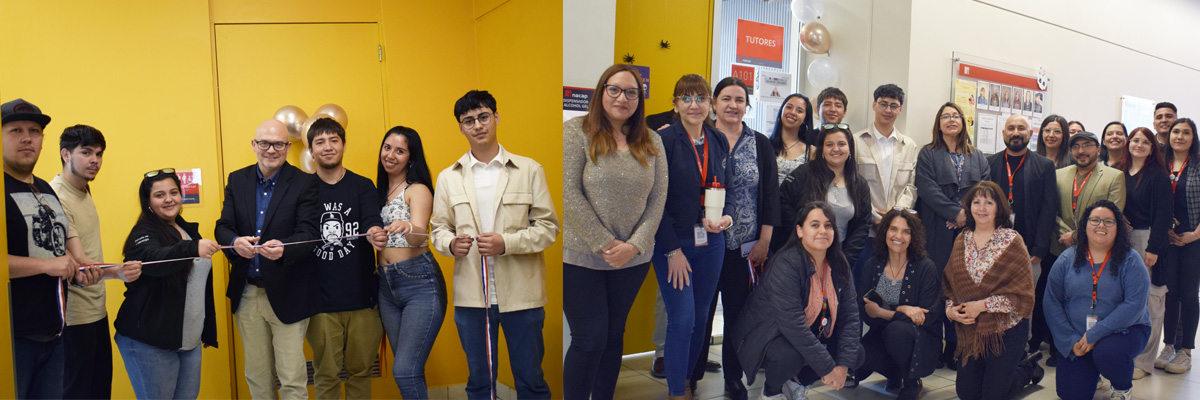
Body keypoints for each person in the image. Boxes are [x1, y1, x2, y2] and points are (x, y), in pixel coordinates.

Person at [430, 90, 558, 399]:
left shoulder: (528, 170)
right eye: (468, 120)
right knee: (479, 382)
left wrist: (506, 243)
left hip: (522, 295)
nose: (477, 125)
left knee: (530, 379)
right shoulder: (449, 177)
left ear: (496, 118)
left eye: (484, 117)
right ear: (461, 127)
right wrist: (450, 245)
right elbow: (438, 231)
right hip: (472, 297)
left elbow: (548, 228)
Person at [562, 64, 667, 400]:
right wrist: (607, 243)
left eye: (631, 91)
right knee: (589, 338)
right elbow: (568, 194)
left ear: (640, 98)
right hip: (582, 256)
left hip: (632, 260)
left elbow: (657, 201)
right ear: (601, 91)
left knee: (613, 336)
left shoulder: (653, 142)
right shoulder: (576, 131)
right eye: (615, 89)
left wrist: (634, 246)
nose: (623, 97)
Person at [214, 119, 322, 399]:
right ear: (254, 145)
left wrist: (284, 247)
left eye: (277, 144)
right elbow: (223, 226)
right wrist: (234, 242)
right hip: (247, 293)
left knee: (292, 379)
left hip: (289, 292)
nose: (270, 150)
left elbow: (310, 233)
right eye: (264, 143)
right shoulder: (237, 179)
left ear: (287, 147)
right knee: (258, 379)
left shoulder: (304, 183)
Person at [3, 98, 103, 398]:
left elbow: (63, 248)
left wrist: (80, 265)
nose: (27, 138)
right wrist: (50, 266)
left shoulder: (45, 189)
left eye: (34, 131)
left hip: (55, 334)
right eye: (16, 130)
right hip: (13, 339)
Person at [689, 76, 779, 400]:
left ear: (747, 105)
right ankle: (691, 373)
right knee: (699, 312)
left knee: (738, 314)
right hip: (703, 243)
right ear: (714, 103)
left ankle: (733, 378)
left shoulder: (760, 143)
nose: (732, 105)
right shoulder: (700, 139)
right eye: (726, 98)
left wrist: (765, 239)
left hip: (744, 247)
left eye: (739, 99)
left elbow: (770, 194)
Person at [649, 74, 734, 400]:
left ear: (710, 103)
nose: (694, 105)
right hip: (674, 243)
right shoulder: (664, 141)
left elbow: (728, 188)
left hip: (711, 242)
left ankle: (685, 381)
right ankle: (675, 391)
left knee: (701, 319)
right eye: (686, 98)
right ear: (675, 104)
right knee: (682, 319)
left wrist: (726, 217)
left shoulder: (718, 139)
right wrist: (671, 249)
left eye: (701, 98)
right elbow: (654, 202)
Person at [730, 203, 864, 400]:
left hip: (809, 332)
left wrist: (842, 366)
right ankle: (771, 392)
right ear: (800, 231)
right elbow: (793, 325)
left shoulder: (838, 263)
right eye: (815, 225)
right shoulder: (786, 263)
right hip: (765, 335)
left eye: (828, 226)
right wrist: (827, 369)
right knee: (788, 357)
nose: (822, 231)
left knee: (855, 354)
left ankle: (795, 384)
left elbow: (850, 317)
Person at [51, 124, 142, 399]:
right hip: (74, 318)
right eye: (86, 152)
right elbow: (79, 262)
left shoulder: (83, 190)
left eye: (99, 154)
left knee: (100, 390)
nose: (95, 160)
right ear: (66, 154)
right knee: (77, 393)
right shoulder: (57, 195)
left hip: (96, 312)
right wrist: (119, 271)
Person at [301, 118, 390, 399]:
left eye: (334, 140)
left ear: (343, 145)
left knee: (361, 372)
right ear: (311, 151)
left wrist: (375, 232)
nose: (328, 147)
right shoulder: (302, 191)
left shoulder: (363, 186)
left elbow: (372, 220)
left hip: (363, 300)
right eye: (320, 142)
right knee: (325, 375)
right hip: (319, 304)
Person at [114, 169, 219, 399]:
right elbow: (154, 260)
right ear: (148, 202)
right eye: (159, 195)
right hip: (149, 343)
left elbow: (196, 287)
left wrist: (207, 332)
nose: (169, 199)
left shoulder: (186, 229)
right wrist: (192, 248)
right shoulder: (143, 233)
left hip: (187, 342)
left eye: (173, 192)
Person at [943, 181, 1043, 400]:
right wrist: (950, 311)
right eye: (976, 202)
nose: (982, 208)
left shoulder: (1012, 240)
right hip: (972, 330)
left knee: (993, 394)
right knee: (967, 394)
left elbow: (1023, 294)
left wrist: (981, 306)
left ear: (999, 207)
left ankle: (1027, 368)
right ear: (968, 208)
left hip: (1006, 327)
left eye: (989, 202)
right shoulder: (962, 239)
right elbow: (951, 285)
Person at [1044, 200, 1150, 400]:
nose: (1101, 225)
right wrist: (1070, 340)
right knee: (1070, 394)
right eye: (1095, 220)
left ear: (1118, 228)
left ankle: (1121, 386)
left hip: (1125, 331)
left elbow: (1134, 306)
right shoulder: (1067, 259)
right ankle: (1093, 370)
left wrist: (1095, 334)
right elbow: (1051, 302)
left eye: (1109, 221)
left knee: (1108, 353)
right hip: (1078, 336)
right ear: (1084, 226)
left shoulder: (1131, 260)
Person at [374, 124, 448, 397]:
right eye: (387, 147)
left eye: (400, 150)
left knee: (405, 370)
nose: (391, 155)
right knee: (409, 369)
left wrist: (408, 227)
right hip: (385, 285)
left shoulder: (417, 189)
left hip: (418, 283)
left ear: (411, 157)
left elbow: (420, 234)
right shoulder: (379, 191)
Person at [1041, 131, 1126, 366]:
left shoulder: (1114, 176)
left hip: (1098, 251)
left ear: (1098, 149)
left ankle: (1092, 344)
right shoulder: (1058, 175)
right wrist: (1066, 235)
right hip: (1060, 248)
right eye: (1076, 146)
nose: (1082, 151)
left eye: (1087, 145)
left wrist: (1078, 236)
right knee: (1061, 297)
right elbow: (1050, 210)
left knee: (1088, 298)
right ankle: (1063, 345)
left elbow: (1113, 214)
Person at [915, 102, 991, 367]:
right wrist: (952, 213)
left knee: (963, 286)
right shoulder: (927, 153)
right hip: (936, 228)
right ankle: (934, 347)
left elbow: (984, 189)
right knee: (936, 287)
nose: (950, 120)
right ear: (938, 123)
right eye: (945, 116)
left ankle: (958, 347)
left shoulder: (978, 156)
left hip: (970, 232)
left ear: (963, 122)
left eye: (955, 116)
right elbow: (926, 187)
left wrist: (965, 216)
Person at [987, 115, 1059, 356]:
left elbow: (1049, 209)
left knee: (1025, 300)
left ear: (1030, 134)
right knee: (995, 295)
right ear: (1003, 133)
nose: (1015, 132)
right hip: (995, 247)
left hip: (1030, 249)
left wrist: (1040, 248)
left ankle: (1021, 348)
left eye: (1021, 128)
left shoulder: (1044, 166)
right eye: (1011, 128)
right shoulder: (991, 163)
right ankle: (995, 343)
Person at [854, 210, 942, 400]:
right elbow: (866, 310)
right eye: (893, 229)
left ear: (913, 237)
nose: (898, 236)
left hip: (920, 339)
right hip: (882, 334)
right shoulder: (873, 265)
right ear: (884, 231)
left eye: (906, 231)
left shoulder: (925, 267)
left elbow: (926, 317)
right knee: (859, 354)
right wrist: (902, 310)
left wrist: (884, 313)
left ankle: (912, 381)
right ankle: (894, 374)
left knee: (896, 331)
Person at [1115, 127, 1173, 379]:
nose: (1139, 145)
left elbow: (1163, 215)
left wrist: (1153, 249)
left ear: (1152, 148)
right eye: (1135, 140)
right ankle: (1122, 354)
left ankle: (1144, 362)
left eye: (1145, 142)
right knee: (1122, 298)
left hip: (1147, 239)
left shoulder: (1158, 176)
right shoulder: (1118, 170)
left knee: (1150, 301)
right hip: (1120, 240)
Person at [775, 125, 871, 268]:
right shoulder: (804, 173)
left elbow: (862, 224)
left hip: (839, 259)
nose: (836, 149)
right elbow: (782, 203)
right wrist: (803, 235)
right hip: (801, 256)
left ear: (850, 148)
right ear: (822, 149)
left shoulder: (859, 184)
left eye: (841, 144)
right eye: (829, 144)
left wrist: (845, 259)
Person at [854, 84, 919, 272]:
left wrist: (893, 217)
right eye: (883, 104)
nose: (888, 110)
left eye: (893, 105)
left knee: (889, 287)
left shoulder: (909, 145)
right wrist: (874, 216)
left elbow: (911, 187)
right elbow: (852, 185)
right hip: (865, 230)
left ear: (900, 110)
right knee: (861, 285)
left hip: (897, 234)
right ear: (874, 105)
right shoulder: (856, 141)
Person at [1160, 118, 1200, 374]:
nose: (1180, 136)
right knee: (1169, 293)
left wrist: (1195, 235)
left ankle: (1185, 350)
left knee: (1189, 294)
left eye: (1186, 132)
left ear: (1193, 137)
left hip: (1194, 238)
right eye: (1176, 131)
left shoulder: (1198, 164)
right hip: (1168, 239)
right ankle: (1168, 345)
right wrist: (1166, 231)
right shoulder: (1160, 164)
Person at [769, 93, 815, 183]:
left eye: (799, 111)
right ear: (781, 110)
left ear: (805, 118)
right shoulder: (765, 145)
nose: (793, 112)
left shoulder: (811, 151)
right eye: (789, 107)